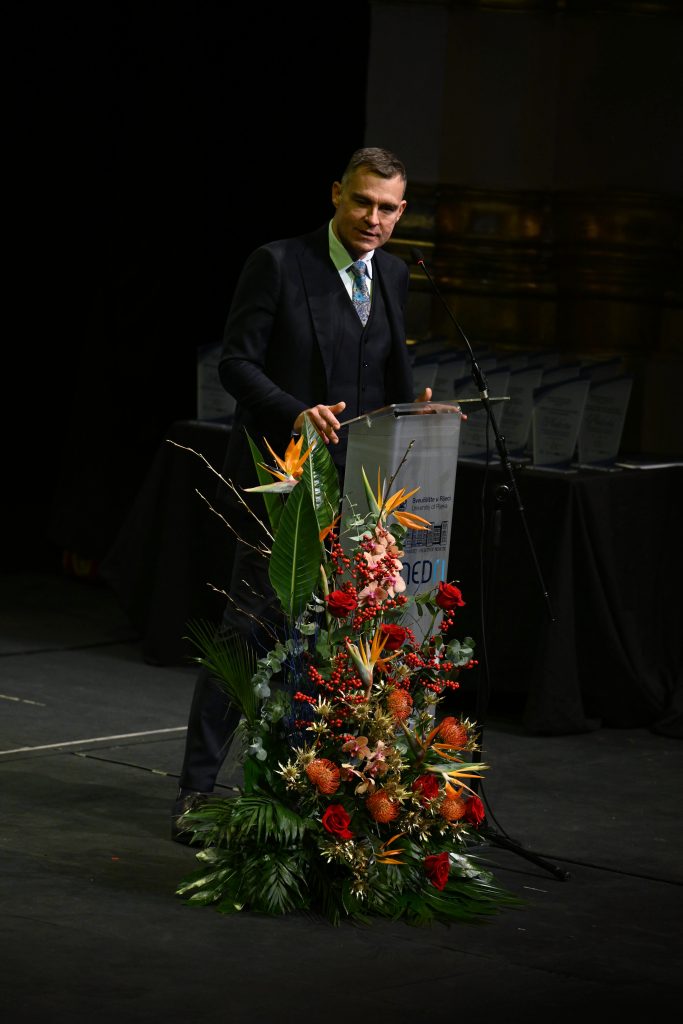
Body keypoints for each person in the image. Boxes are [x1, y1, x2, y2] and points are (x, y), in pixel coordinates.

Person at [172, 146, 434, 842]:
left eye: (386, 208)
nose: (373, 217)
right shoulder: (280, 264)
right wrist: (295, 412)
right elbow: (235, 363)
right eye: (362, 201)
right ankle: (196, 789)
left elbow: (391, 376)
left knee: (335, 641)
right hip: (283, 483)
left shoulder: (394, 274)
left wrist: (421, 414)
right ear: (336, 194)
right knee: (248, 632)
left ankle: (305, 789)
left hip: (363, 489)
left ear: (401, 212)